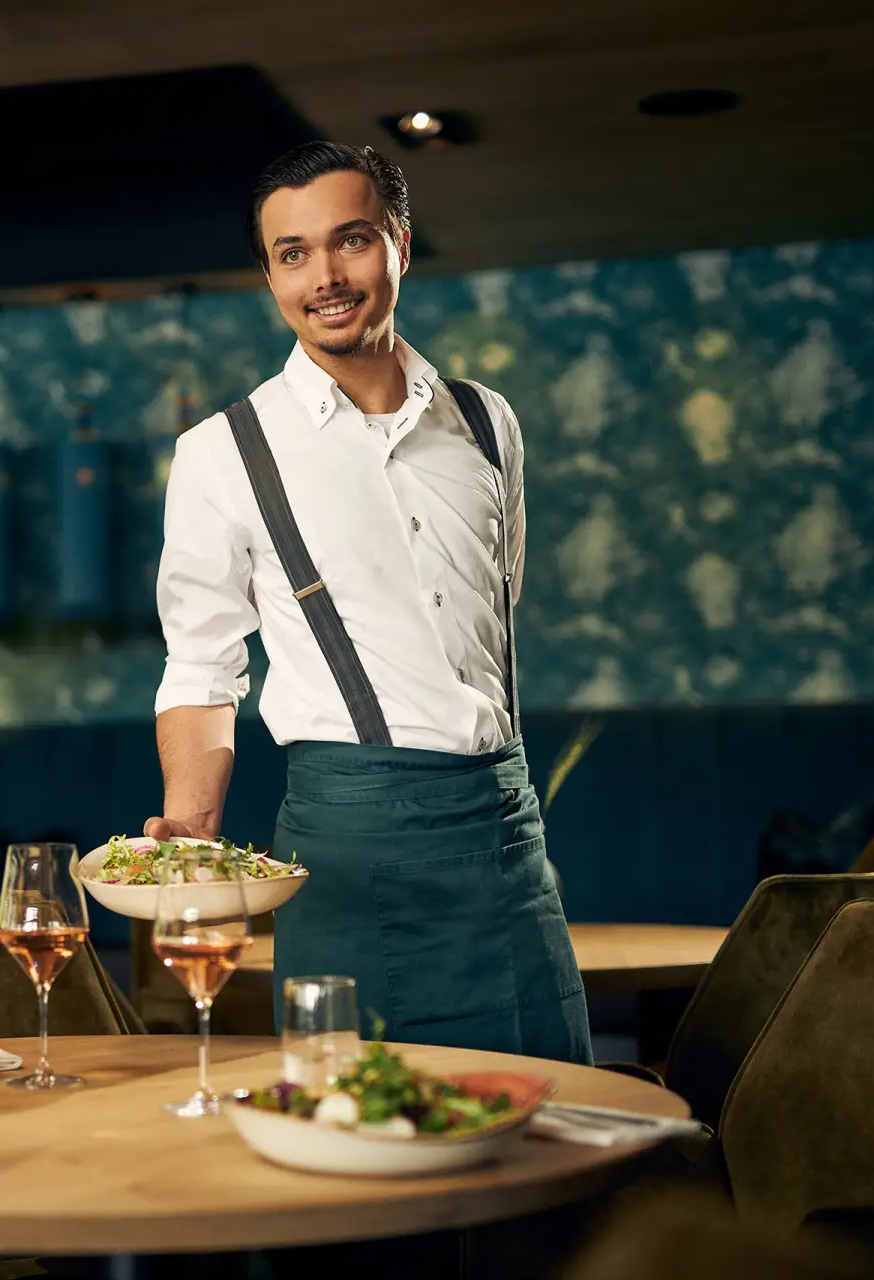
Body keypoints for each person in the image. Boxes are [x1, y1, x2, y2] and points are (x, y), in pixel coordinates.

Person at [143, 140, 590, 1064]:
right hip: (355, 851)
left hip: (509, 831)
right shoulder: (223, 453)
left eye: (349, 241)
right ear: (269, 274)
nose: (325, 277)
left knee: (556, 1119)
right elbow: (200, 665)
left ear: (401, 244)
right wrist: (189, 836)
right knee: (373, 1144)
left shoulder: (487, 422)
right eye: (292, 254)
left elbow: (490, 612)